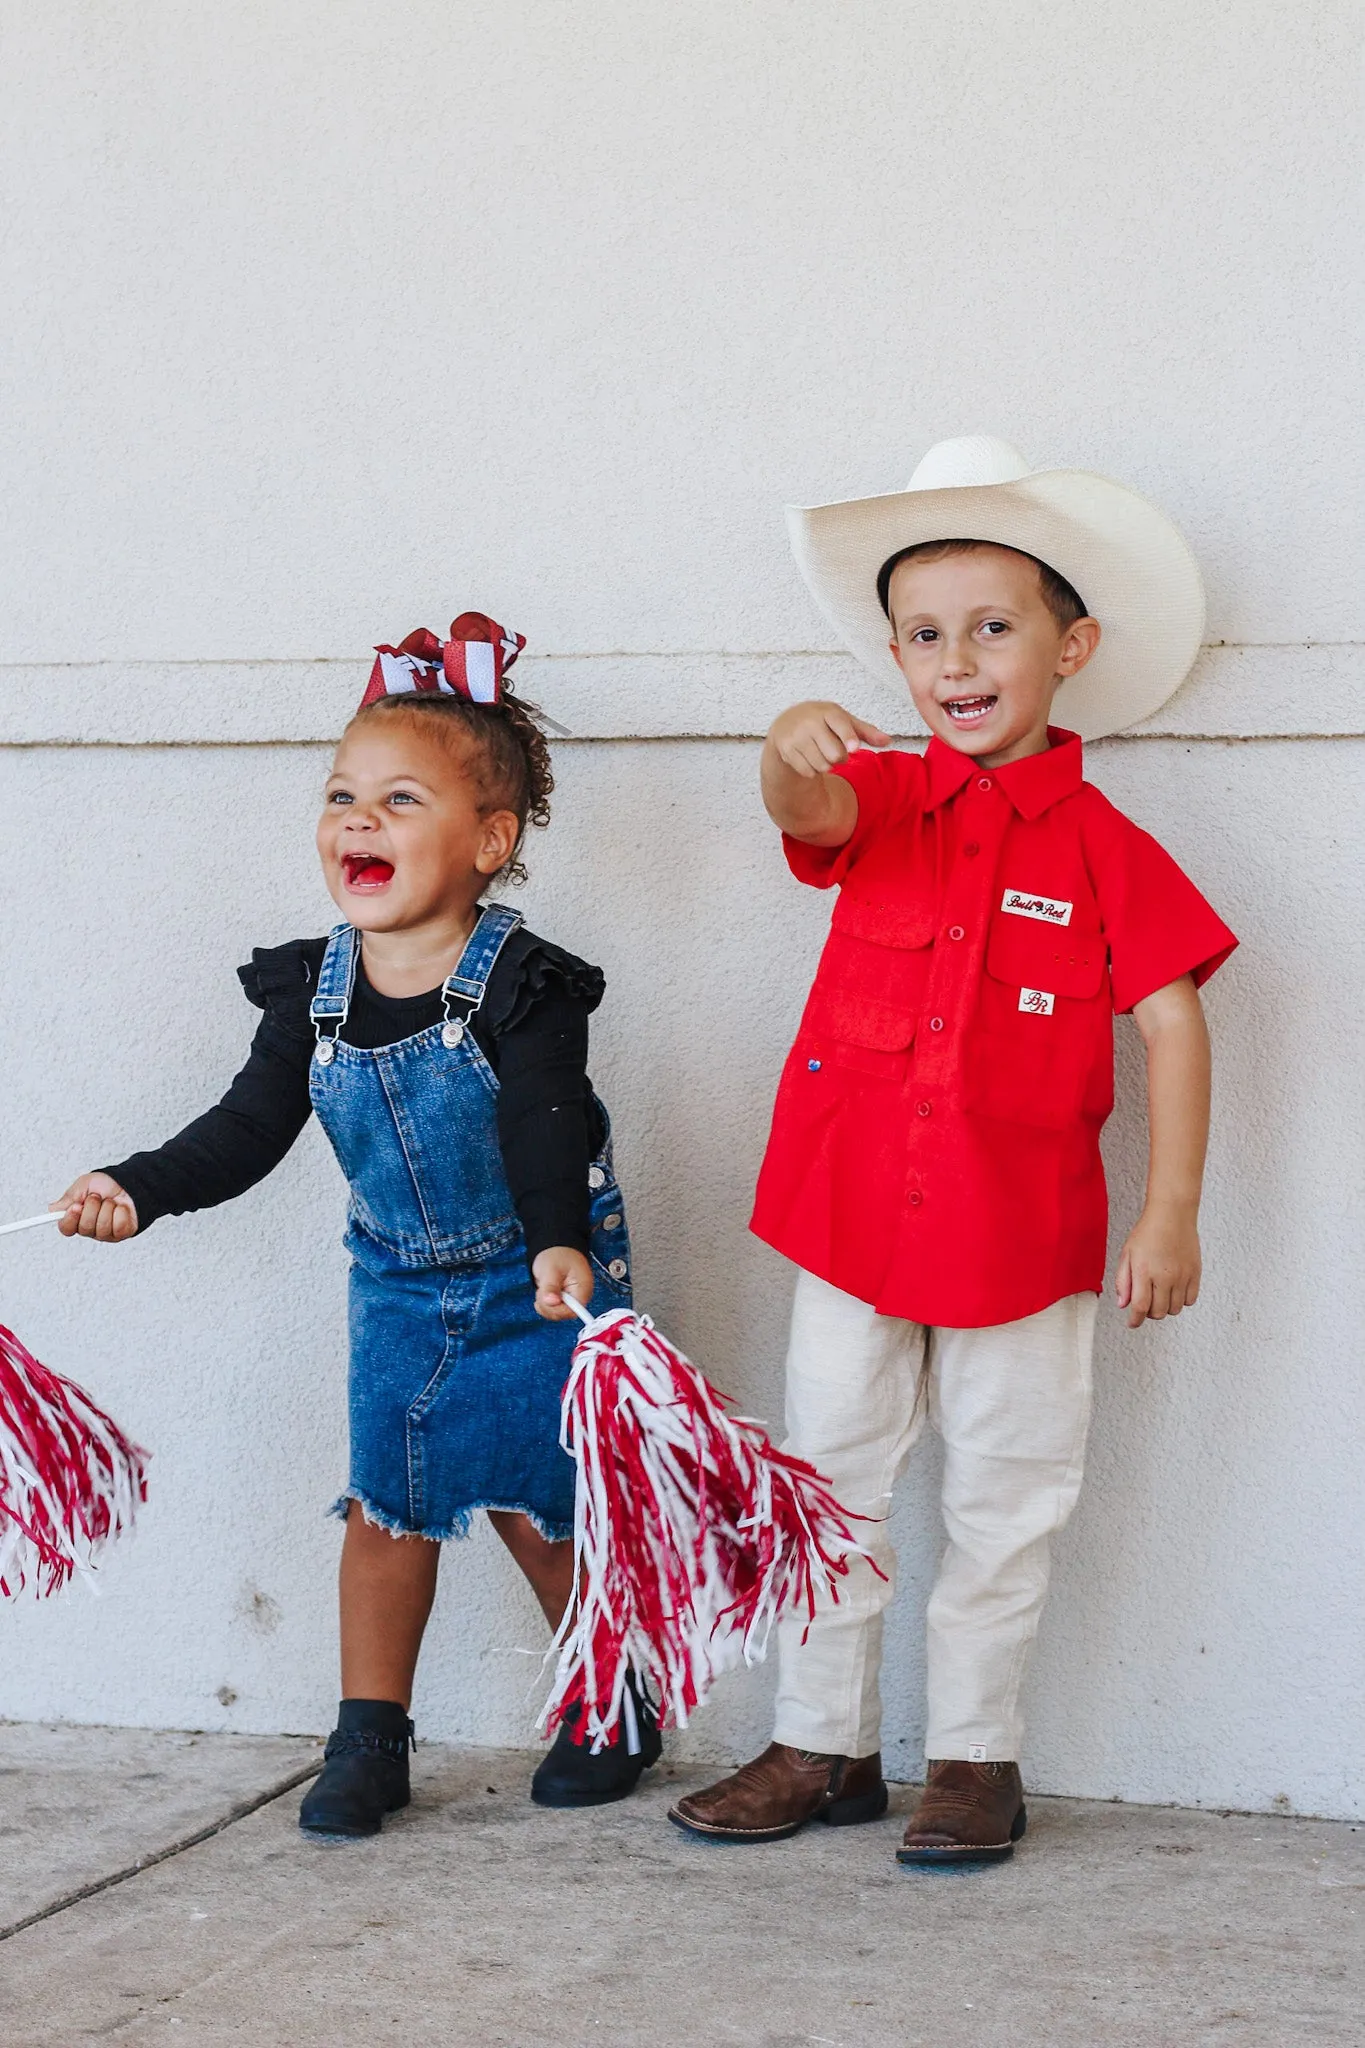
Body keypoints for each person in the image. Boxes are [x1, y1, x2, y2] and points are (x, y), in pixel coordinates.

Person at [668, 438, 1237, 1865]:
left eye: (994, 626)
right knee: (828, 1479)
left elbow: (1170, 1026)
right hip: (854, 1222)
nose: (957, 659)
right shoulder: (882, 796)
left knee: (1006, 1496)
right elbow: (804, 810)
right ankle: (819, 1743)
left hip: (1021, 1236)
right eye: (923, 635)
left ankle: (976, 1759)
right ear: (895, 659)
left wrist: (1166, 1216)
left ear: (1071, 646)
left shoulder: (1106, 845)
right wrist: (787, 737)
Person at [54, 613, 659, 1835]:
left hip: (532, 1276)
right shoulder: (312, 987)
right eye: (342, 794)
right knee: (391, 1504)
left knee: (540, 1506)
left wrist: (559, 1239)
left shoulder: (522, 983)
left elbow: (546, 1117)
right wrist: (139, 1185)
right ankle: (369, 1732)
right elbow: (245, 1127)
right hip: (393, 1288)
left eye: (397, 797)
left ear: (490, 839)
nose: (358, 820)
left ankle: (613, 1692)